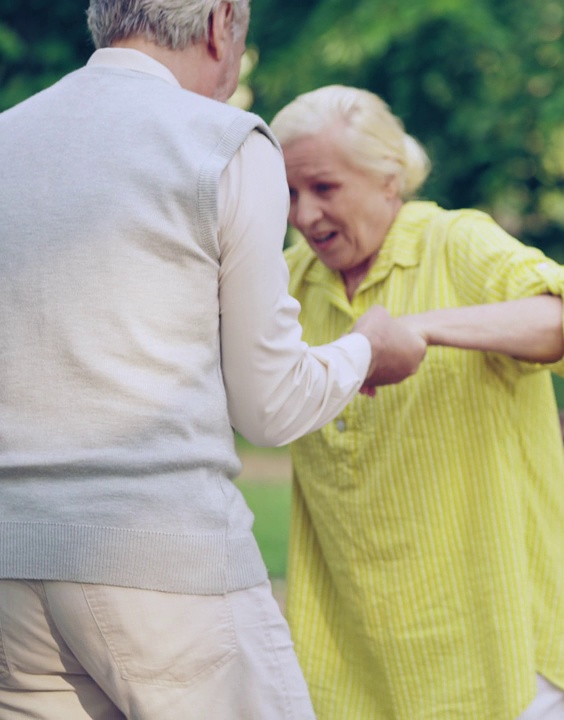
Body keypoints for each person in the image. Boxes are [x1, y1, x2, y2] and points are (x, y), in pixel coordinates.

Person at [0, 3, 427, 719]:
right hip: (167, 567)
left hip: (12, 567)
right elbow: (271, 405)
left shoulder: (8, 139)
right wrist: (366, 351)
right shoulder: (226, 142)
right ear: (221, 21)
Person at [269, 85, 564, 720]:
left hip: (497, 653)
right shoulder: (292, 284)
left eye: (323, 188)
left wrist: (424, 329)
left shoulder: (455, 243)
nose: (305, 215)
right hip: (354, 661)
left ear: (388, 180)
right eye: (290, 194)